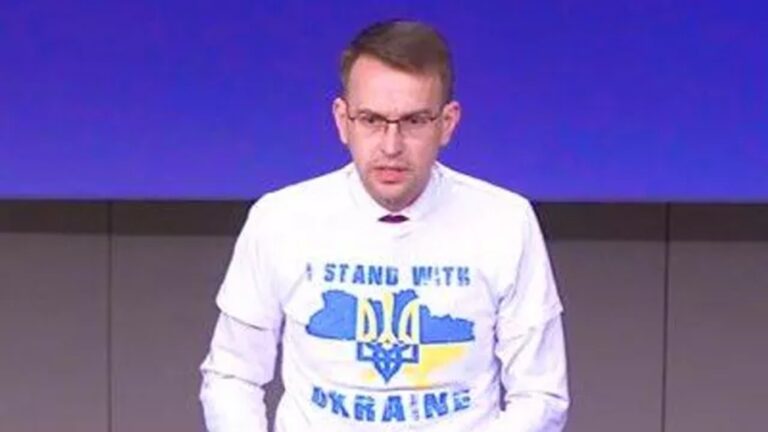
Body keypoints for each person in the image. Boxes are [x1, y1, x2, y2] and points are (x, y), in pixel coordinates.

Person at [200, 19, 569, 432]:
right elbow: (232, 375)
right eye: (372, 119)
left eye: (414, 121)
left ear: (447, 123)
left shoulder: (505, 222)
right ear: (342, 120)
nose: (391, 146)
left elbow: (539, 394)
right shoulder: (280, 219)